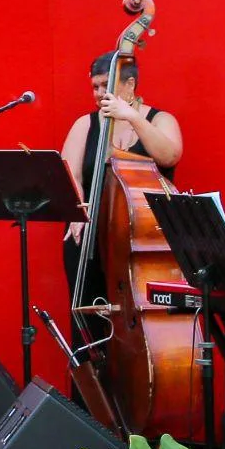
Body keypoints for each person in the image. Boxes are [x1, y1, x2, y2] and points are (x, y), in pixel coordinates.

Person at [61, 50, 185, 307]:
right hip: (91, 233)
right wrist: (76, 212)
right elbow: (69, 175)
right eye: (94, 86)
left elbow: (169, 156)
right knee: (88, 308)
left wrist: (132, 116)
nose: (98, 93)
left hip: (145, 238)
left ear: (130, 84)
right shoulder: (85, 124)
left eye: (105, 85)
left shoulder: (160, 119)